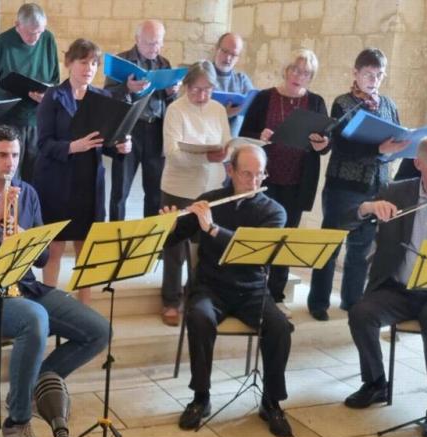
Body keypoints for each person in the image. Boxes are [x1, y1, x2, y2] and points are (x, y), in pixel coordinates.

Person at [0, 125, 109, 437]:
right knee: (35, 319)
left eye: (16, 155)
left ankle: (30, 387)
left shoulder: (27, 192)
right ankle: (16, 421)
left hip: (25, 286)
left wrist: (25, 237)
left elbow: (43, 258)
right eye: (3, 155)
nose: (10, 163)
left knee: (99, 330)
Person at [163, 145, 293, 437]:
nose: (253, 181)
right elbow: (175, 236)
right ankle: (201, 397)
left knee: (279, 327)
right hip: (210, 287)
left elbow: (253, 252)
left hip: (252, 290)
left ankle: (271, 402)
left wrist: (212, 230)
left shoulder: (273, 210)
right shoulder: (210, 201)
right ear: (230, 171)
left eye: (259, 174)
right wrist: (168, 224)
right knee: (198, 318)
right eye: (246, 173)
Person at [344, 134, 427, 437]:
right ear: (418, 164)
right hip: (397, 288)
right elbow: (346, 220)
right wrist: (367, 207)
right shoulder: (396, 192)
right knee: (360, 313)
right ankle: (376, 381)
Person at [306, 48, 409, 320]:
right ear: (356, 73)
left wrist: (400, 146)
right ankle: (318, 302)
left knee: (361, 249)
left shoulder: (389, 104)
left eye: (378, 75)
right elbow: (341, 145)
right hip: (344, 185)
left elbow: (395, 139)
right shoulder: (343, 103)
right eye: (368, 74)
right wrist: (378, 149)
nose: (373, 80)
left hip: (377, 185)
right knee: (331, 244)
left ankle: (352, 301)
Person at [33, 38, 131, 303]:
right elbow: (42, 143)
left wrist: (122, 147)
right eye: (83, 62)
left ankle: (84, 306)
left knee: (86, 246)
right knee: (55, 246)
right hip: (56, 180)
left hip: (89, 180)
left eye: (94, 63)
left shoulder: (103, 97)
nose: (89, 68)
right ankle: (50, 304)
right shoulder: (53, 96)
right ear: (69, 63)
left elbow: (106, 142)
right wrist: (71, 147)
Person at [240, 49, 330, 317]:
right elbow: (245, 134)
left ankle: (276, 296)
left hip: (297, 182)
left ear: (310, 77)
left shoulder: (316, 102)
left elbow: (325, 144)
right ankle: (251, 291)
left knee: (285, 237)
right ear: (286, 70)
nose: (298, 76)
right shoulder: (265, 98)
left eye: (305, 72)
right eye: (294, 69)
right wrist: (260, 134)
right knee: (259, 235)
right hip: (263, 179)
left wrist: (322, 144)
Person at [159, 60, 231, 326]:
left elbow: (226, 144)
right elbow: (172, 152)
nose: (202, 96)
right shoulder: (175, 109)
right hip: (178, 187)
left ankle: (198, 295)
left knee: (206, 246)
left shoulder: (218, 109)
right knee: (175, 248)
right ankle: (170, 300)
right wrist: (207, 157)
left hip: (211, 187)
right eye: (196, 90)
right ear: (186, 87)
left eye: (208, 90)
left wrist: (225, 154)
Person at [0, 3, 60, 183]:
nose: (36, 37)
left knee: (35, 177)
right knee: (8, 177)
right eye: (31, 32)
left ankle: (28, 211)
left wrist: (47, 97)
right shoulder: (3, 42)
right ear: (17, 25)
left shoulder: (48, 39)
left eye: (40, 31)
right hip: (8, 119)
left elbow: (55, 80)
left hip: (37, 120)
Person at [104, 19, 179, 221]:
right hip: (129, 130)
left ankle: (149, 241)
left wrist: (172, 93)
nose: (155, 48)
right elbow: (107, 96)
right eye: (150, 42)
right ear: (137, 39)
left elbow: (170, 102)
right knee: (120, 190)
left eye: (159, 42)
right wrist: (126, 88)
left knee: (155, 192)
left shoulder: (164, 64)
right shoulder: (121, 61)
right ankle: (114, 237)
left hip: (156, 130)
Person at [212, 32, 255, 136]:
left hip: (234, 144)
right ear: (216, 49)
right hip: (205, 141)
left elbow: (255, 106)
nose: (228, 58)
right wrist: (222, 114)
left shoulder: (242, 80)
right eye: (225, 51)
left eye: (233, 54)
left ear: (238, 58)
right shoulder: (202, 77)